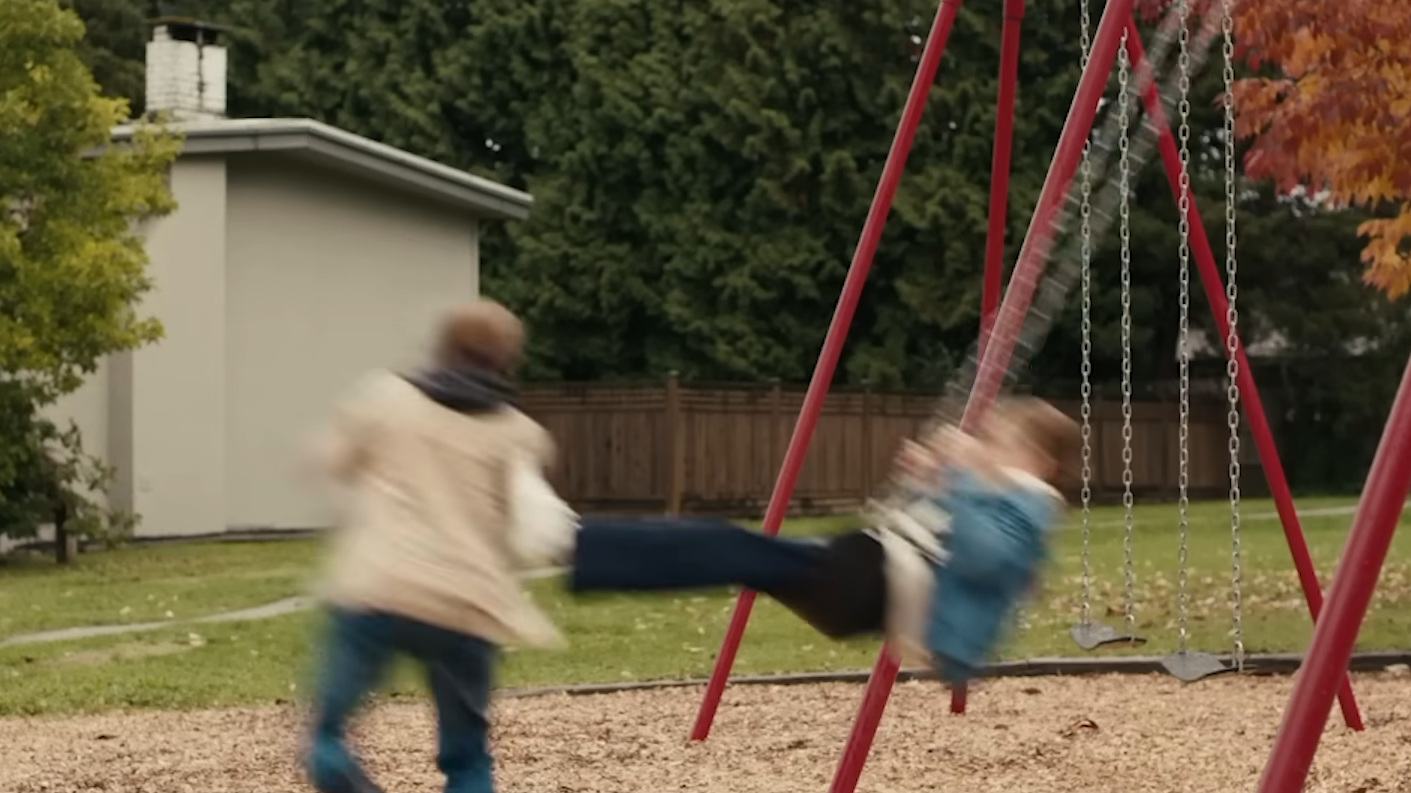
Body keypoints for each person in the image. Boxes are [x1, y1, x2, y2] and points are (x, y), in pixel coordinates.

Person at [569, 397, 1079, 684]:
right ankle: (588, 552)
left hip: (873, 587)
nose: (990, 450)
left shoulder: (1033, 503)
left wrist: (959, 479)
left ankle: (585, 549)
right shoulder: (1005, 494)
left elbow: (984, 557)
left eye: (1004, 443)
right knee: (728, 551)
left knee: (727, 548)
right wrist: (936, 478)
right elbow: (960, 537)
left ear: (1043, 465)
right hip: (867, 577)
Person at [304, 299, 559, 793]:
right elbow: (537, 528)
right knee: (467, 757)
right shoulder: (517, 434)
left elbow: (331, 464)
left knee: (327, 738)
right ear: (507, 360)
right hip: (468, 604)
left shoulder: (384, 401)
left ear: (440, 347)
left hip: (378, 588)